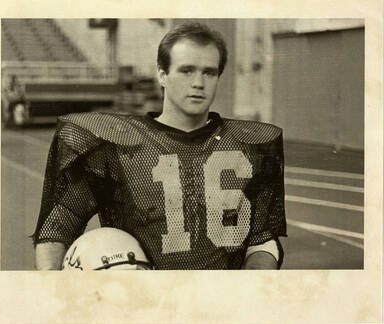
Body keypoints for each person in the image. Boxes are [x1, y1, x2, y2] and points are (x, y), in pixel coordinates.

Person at [33, 22, 287, 270]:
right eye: (186, 70)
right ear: (162, 74)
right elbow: (56, 232)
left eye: (208, 72)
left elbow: (262, 241)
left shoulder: (252, 146)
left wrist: (255, 280)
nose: (198, 82)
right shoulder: (115, 147)